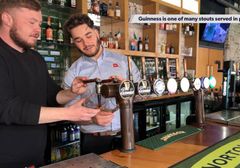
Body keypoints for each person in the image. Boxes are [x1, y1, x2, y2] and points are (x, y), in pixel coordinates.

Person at [0, 0, 101, 167]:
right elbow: (8, 108)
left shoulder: (36, 59)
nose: (37, 30)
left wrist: (71, 92)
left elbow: (52, 96)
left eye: (39, 23)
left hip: (37, 159)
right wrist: (68, 114)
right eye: (31, 22)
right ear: (7, 19)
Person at [63, 13, 141, 155]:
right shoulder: (73, 72)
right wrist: (92, 118)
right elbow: (68, 111)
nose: (86, 44)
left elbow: (142, 94)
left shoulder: (124, 62)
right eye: (78, 40)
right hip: (94, 141)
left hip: (128, 133)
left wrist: (128, 89)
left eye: (88, 35)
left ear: (97, 33)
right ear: (73, 42)